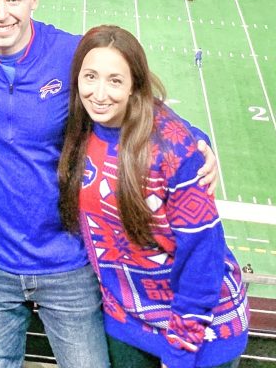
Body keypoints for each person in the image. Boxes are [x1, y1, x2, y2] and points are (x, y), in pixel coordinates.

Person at [0, 0, 217, 368]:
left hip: (67, 260)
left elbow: (136, 98)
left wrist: (198, 141)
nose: (2, 13)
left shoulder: (69, 53)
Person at [58, 25, 249, 368]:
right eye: (90, 77)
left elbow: (202, 256)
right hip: (127, 322)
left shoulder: (174, 149)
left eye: (115, 80)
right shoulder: (79, 127)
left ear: (135, 86)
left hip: (200, 332)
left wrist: (181, 349)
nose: (99, 93)